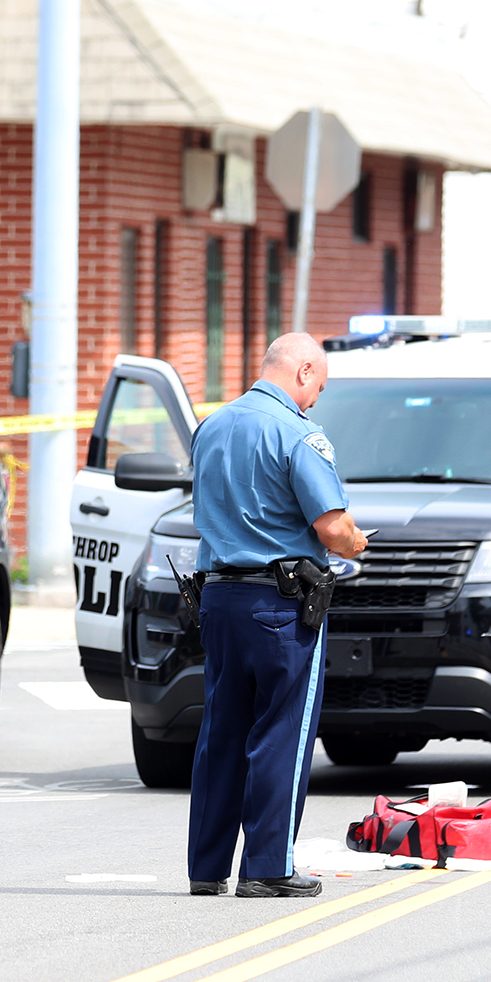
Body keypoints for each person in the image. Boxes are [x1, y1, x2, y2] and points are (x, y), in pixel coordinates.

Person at [187, 332, 369, 899]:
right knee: (281, 735)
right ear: (304, 370)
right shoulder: (298, 433)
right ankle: (267, 865)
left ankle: (207, 868)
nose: (315, 399)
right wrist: (356, 542)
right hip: (280, 606)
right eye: (319, 386)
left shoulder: (211, 427)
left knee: (222, 733)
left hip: (218, 599)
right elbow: (332, 529)